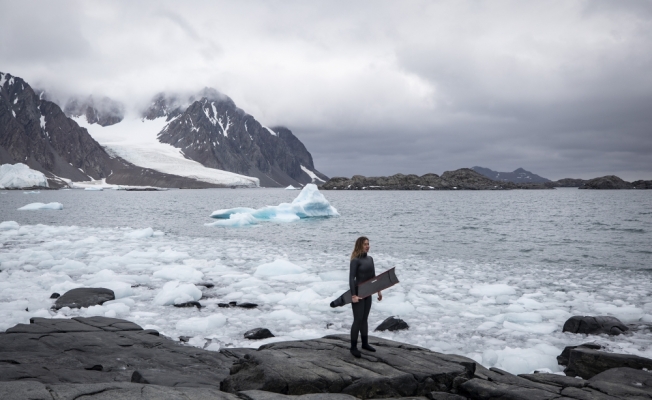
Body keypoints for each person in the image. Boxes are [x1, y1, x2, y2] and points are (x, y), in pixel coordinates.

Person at [349, 236, 382, 358]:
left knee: (365, 319)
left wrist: (378, 290)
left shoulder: (370, 259)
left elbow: (373, 277)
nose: (368, 246)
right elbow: (351, 279)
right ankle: (353, 347)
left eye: (368, 244)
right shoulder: (355, 260)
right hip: (358, 293)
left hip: (368, 293)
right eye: (365, 244)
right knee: (357, 320)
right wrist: (354, 295)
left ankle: (365, 343)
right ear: (359, 245)